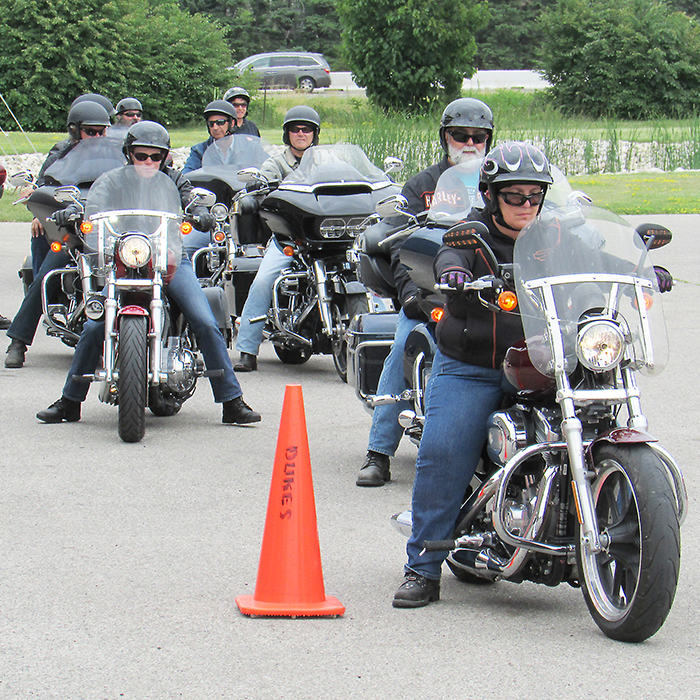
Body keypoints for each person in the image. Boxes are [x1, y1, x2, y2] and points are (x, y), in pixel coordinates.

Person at [36, 121, 259, 426]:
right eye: (141, 156)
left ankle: (232, 401)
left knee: (205, 321)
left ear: (165, 157)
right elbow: (94, 204)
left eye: (155, 157)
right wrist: (77, 212)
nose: (148, 162)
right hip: (125, 260)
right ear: (129, 154)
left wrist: (200, 213)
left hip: (169, 259)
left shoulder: (175, 180)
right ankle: (70, 401)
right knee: (92, 327)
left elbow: (190, 200)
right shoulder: (112, 181)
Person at [356, 98, 494, 487]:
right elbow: (399, 244)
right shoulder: (422, 186)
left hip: (487, 291)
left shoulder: (499, 182)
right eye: (460, 135)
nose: (469, 143)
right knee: (403, 345)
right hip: (433, 290)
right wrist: (409, 292)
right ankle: (379, 452)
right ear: (445, 137)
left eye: (478, 136)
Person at [4, 101, 113, 369]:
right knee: (47, 274)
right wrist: (38, 214)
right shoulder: (60, 155)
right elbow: (44, 186)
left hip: (109, 230)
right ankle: (18, 342)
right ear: (75, 130)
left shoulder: (117, 155)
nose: (97, 137)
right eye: (91, 131)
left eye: (101, 131)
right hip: (72, 231)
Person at [233, 105, 321, 372]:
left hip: (323, 239)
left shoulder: (326, 162)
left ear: (315, 134)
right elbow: (262, 184)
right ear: (287, 134)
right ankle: (248, 349)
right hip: (289, 239)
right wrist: (258, 186)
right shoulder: (276, 164)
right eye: (295, 129)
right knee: (262, 281)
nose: (301, 134)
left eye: (306, 129)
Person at [182, 100, 237, 175]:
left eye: (220, 122)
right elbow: (186, 175)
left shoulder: (246, 148)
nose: (215, 127)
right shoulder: (199, 151)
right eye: (211, 123)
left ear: (232, 123)